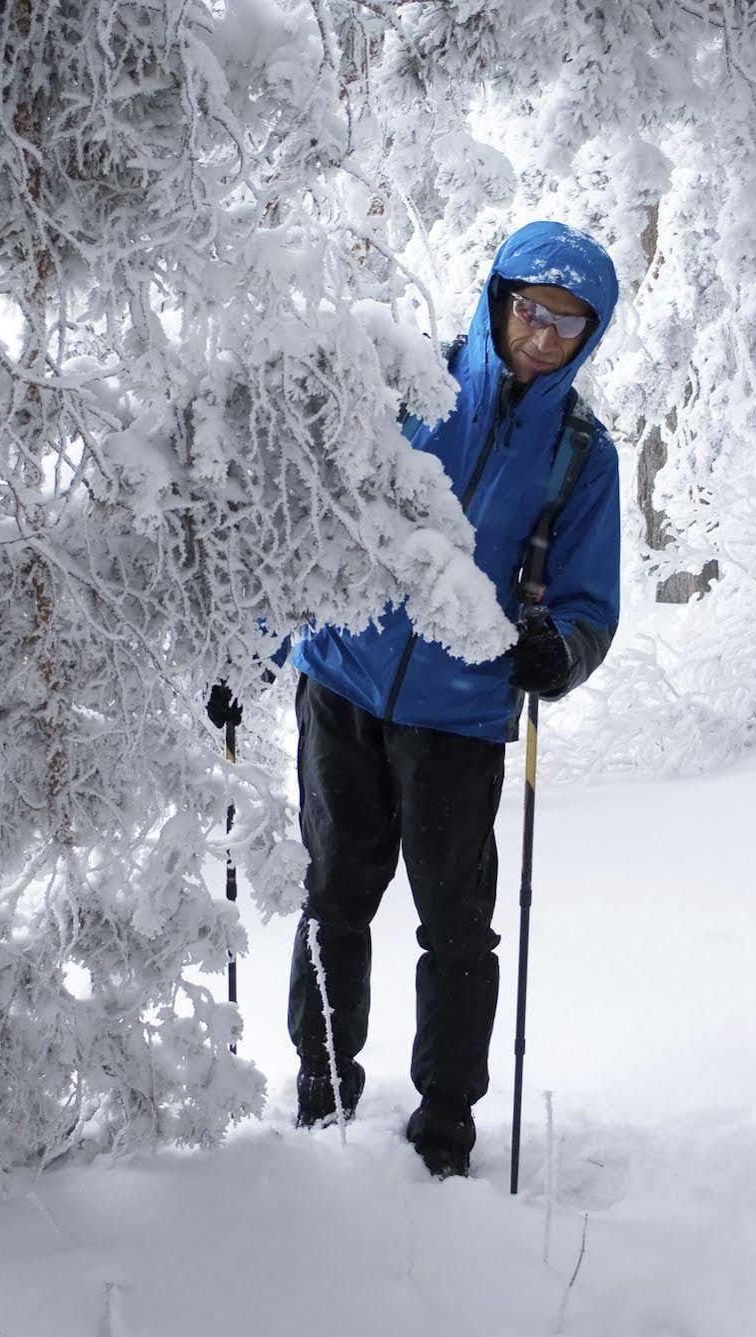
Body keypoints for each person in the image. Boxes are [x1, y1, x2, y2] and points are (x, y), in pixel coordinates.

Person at [218, 221, 622, 1178]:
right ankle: (322, 1092)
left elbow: (588, 602)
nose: (543, 336)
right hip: (341, 683)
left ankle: (445, 1124)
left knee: (454, 924)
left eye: (568, 324)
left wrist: (556, 654)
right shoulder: (406, 388)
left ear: (589, 335)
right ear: (496, 299)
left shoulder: (580, 456)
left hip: (462, 718)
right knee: (335, 895)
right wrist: (254, 654)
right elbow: (311, 523)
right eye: (531, 311)